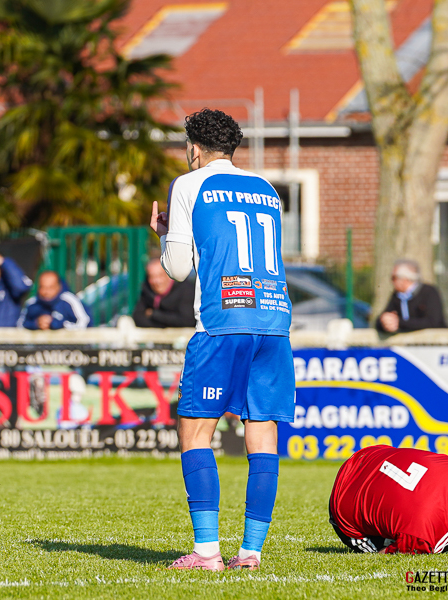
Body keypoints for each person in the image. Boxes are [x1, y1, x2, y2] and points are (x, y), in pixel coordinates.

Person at [151, 109, 295, 571]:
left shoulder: (189, 185)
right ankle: (250, 553)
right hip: (274, 320)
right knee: (262, 434)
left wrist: (165, 235)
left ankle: (207, 552)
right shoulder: (267, 188)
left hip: (222, 321)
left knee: (196, 431)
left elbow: (177, 270)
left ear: (194, 148)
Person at [329, 445, 448, 554]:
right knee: (390, 546)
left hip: (371, 454)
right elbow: (384, 555)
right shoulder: (423, 538)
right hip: (343, 496)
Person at [377, 259, 448, 333]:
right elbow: (380, 321)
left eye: (394, 277)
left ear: (405, 278)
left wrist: (399, 323)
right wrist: (385, 322)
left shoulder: (429, 292)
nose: (392, 282)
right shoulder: (397, 296)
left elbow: (433, 322)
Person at [132, 258, 196, 328]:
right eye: (152, 277)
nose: (156, 281)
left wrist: (153, 314)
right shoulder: (147, 290)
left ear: (169, 276)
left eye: (160, 275)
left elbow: (187, 320)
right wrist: (165, 324)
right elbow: (138, 318)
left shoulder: (186, 289)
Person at [19, 270, 91, 330]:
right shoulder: (32, 303)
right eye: (43, 287)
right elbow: (19, 326)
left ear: (58, 287)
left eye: (51, 287)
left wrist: (61, 325)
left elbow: (86, 323)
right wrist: (35, 324)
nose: (46, 292)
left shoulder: (69, 301)